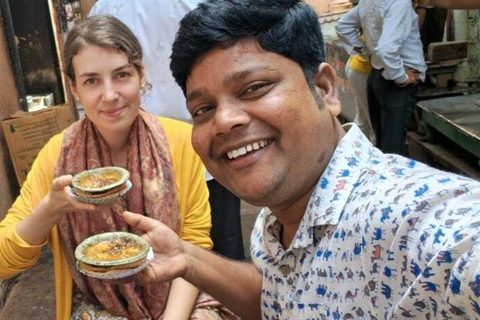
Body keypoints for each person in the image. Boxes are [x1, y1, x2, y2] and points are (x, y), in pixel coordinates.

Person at [115, 0, 480, 319]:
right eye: (203, 108)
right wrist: (186, 256)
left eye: (254, 88)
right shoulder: (274, 220)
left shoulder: (427, 232)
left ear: (324, 88)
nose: (224, 120)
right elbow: (282, 300)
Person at [0, 15, 219, 320]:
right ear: (75, 89)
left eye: (121, 75)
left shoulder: (181, 142)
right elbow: (4, 262)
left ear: (140, 74)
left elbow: (194, 243)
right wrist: (50, 207)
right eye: (92, 81)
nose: (110, 94)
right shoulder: (56, 156)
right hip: (98, 307)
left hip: (177, 300)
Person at [89, 0, 245, 261]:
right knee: (222, 238)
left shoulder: (105, 8)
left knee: (154, 243)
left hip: (143, 151)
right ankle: (225, 296)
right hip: (207, 137)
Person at [335, 0, 427, 155]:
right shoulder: (400, 3)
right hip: (395, 82)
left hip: (377, 75)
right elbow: (386, 50)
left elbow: (342, 27)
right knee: (393, 149)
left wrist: (366, 52)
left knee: (383, 143)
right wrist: (401, 77)